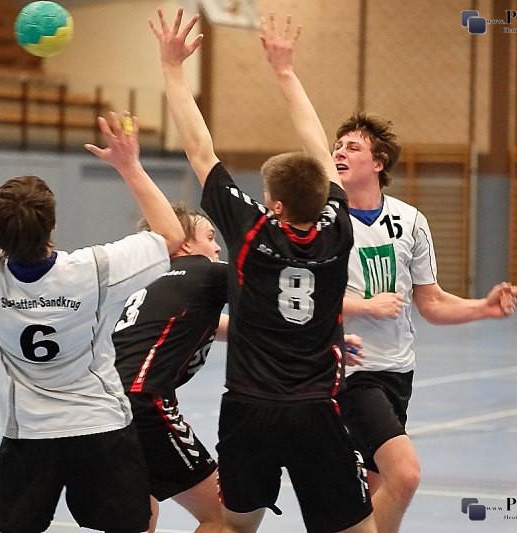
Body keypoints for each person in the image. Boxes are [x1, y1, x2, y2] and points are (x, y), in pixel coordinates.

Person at [0, 73, 184, 533]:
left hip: (29, 433)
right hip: (99, 426)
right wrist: (130, 166)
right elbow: (171, 235)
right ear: (51, 226)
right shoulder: (94, 270)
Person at [151, 9, 376, 533]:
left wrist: (172, 69)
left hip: (250, 408)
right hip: (318, 407)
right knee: (354, 528)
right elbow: (320, 152)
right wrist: (285, 72)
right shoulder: (338, 225)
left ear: (273, 204)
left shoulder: (251, 230)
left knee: (234, 525)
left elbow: (199, 149)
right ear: (323, 194)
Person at [331, 113, 517, 533]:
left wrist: (483, 307)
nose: (340, 152)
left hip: (398, 372)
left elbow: (431, 302)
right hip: (351, 370)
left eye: (353, 147)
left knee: (377, 492)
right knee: (405, 475)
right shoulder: (327, 222)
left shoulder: (410, 221)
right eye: (337, 146)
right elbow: (310, 302)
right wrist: (363, 306)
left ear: (378, 162)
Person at [112, 204, 227, 533]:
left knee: (140, 518)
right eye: (210, 237)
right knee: (223, 516)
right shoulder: (205, 272)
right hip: (145, 402)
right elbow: (275, 287)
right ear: (185, 244)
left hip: (109, 407)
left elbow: (217, 325)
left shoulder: (151, 284)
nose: (218, 248)